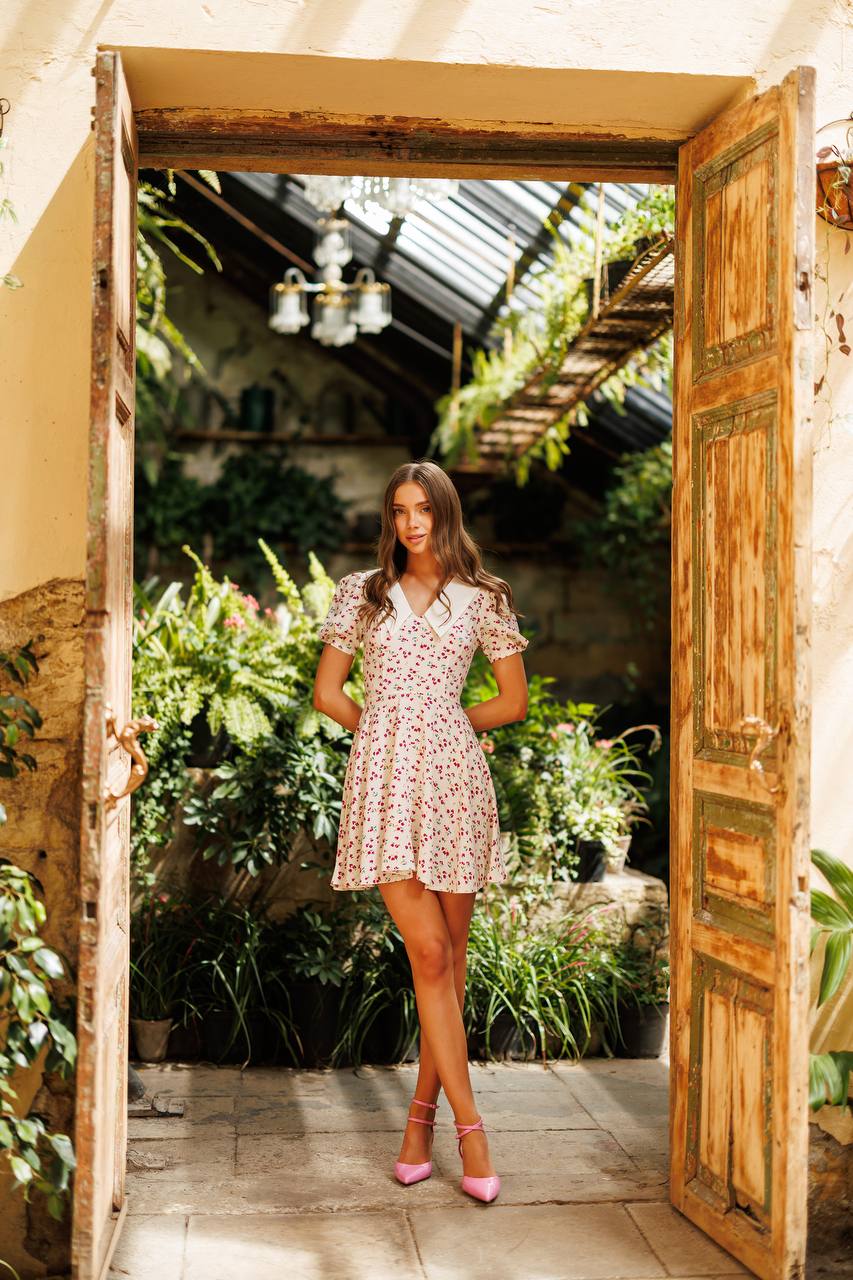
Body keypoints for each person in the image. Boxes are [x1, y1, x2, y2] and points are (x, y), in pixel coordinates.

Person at [312, 460, 529, 1205]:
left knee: (450, 961)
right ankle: (472, 1131)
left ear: (445, 515)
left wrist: (442, 732)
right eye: (400, 509)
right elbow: (327, 691)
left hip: (455, 787)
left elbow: (511, 700)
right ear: (389, 518)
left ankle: (417, 1123)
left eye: (424, 510)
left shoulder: (484, 598)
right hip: (385, 785)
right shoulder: (361, 596)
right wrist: (385, 736)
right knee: (429, 953)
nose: (411, 523)